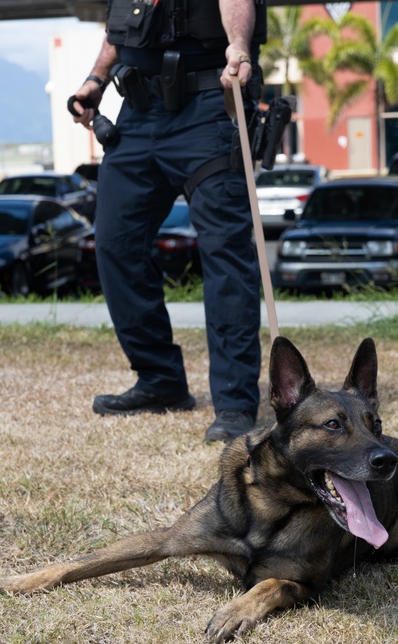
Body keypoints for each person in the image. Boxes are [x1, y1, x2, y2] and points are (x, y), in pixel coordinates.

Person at [68, 0, 266, 442]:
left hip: (210, 105)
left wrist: (238, 46)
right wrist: (95, 79)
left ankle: (234, 403)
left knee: (225, 253)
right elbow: (123, 26)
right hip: (138, 112)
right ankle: (160, 381)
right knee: (115, 243)